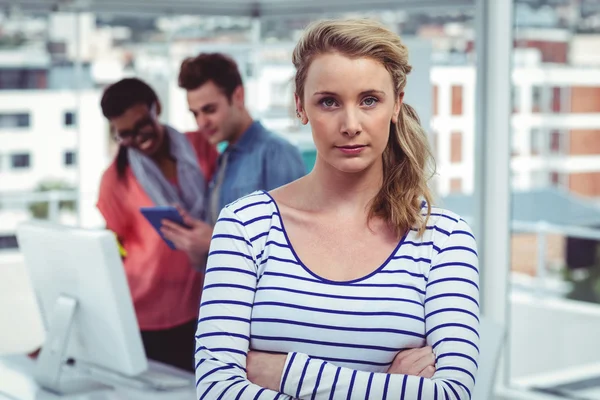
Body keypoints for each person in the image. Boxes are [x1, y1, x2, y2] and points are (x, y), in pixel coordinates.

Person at [194, 18, 480, 399]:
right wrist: (392, 387)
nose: (350, 125)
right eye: (328, 102)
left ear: (396, 104)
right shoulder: (245, 227)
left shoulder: (445, 238)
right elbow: (216, 391)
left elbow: (453, 394)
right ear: (300, 106)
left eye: (369, 100)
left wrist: (281, 371)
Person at [96, 78, 218, 372]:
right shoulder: (115, 180)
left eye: (142, 125)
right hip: (144, 317)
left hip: (201, 309)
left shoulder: (201, 146)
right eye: (124, 134)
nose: (137, 139)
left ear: (157, 108)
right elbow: (114, 252)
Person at [162, 53, 307, 265]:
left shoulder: (276, 152)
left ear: (238, 96)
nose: (202, 122)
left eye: (209, 110)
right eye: (195, 114)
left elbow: (296, 241)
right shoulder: (225, 160)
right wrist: (194, 243)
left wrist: (214, 240)